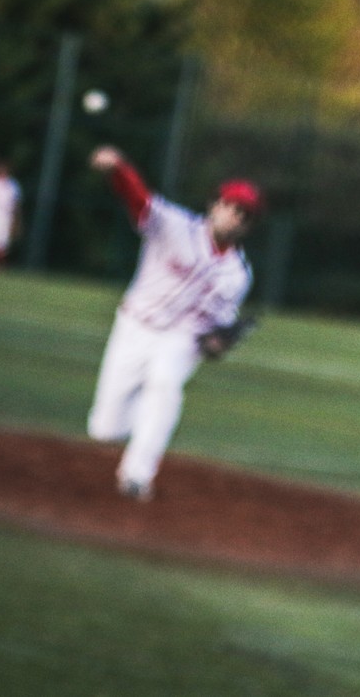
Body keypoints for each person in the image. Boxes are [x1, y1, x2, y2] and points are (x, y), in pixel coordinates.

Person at [84, 145, 262, 503]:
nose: (231, 214)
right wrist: (118, 167)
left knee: (165, 386)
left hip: (180, 339)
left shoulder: (237, 275)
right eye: (227, 204)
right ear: (215, 205)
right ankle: (139, 424)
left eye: (241, 212)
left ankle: (138, 475)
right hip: (134, 326)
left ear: (247, 224)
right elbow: (138, 200)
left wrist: (217, 345)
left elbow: (213, 334)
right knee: (104, 429)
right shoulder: (174, 225)